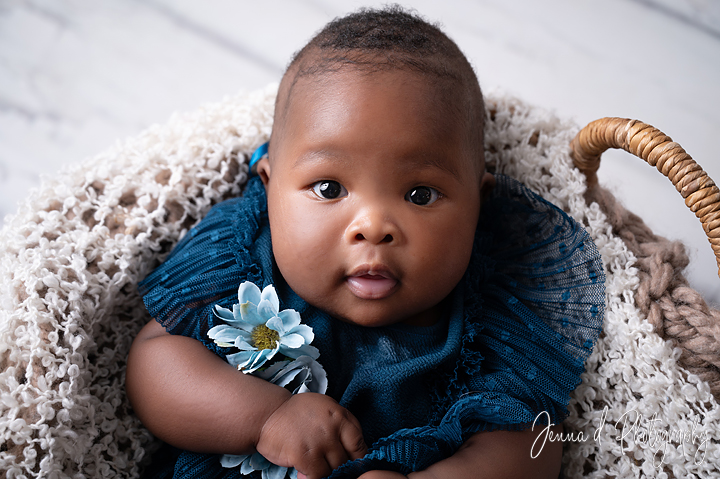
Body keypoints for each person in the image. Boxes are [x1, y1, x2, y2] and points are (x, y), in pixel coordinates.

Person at [125, 6, 605, 479]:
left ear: (478, 205)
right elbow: (155, 359)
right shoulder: (242, 254)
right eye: (329, 189)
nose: (373, 227)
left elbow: (531, 446)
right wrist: (262, 416)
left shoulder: (490, 320)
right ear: (268, 186)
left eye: (420, 194)